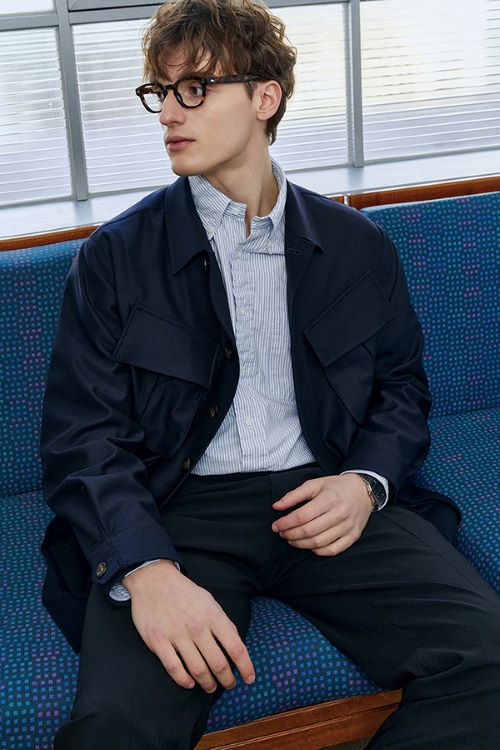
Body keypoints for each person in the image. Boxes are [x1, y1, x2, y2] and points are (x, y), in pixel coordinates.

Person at [39, 0, 500, 747]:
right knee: (117, 726)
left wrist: (364, 483)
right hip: (178, 510)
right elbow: (80, 437)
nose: (169, 113)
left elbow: (401, 389)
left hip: (324, 495)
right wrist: (146, 571)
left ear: (264, 97)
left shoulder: (357, 246)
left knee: (491, 663)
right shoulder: (116, 258)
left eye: (195, 89)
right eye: (161, 92)